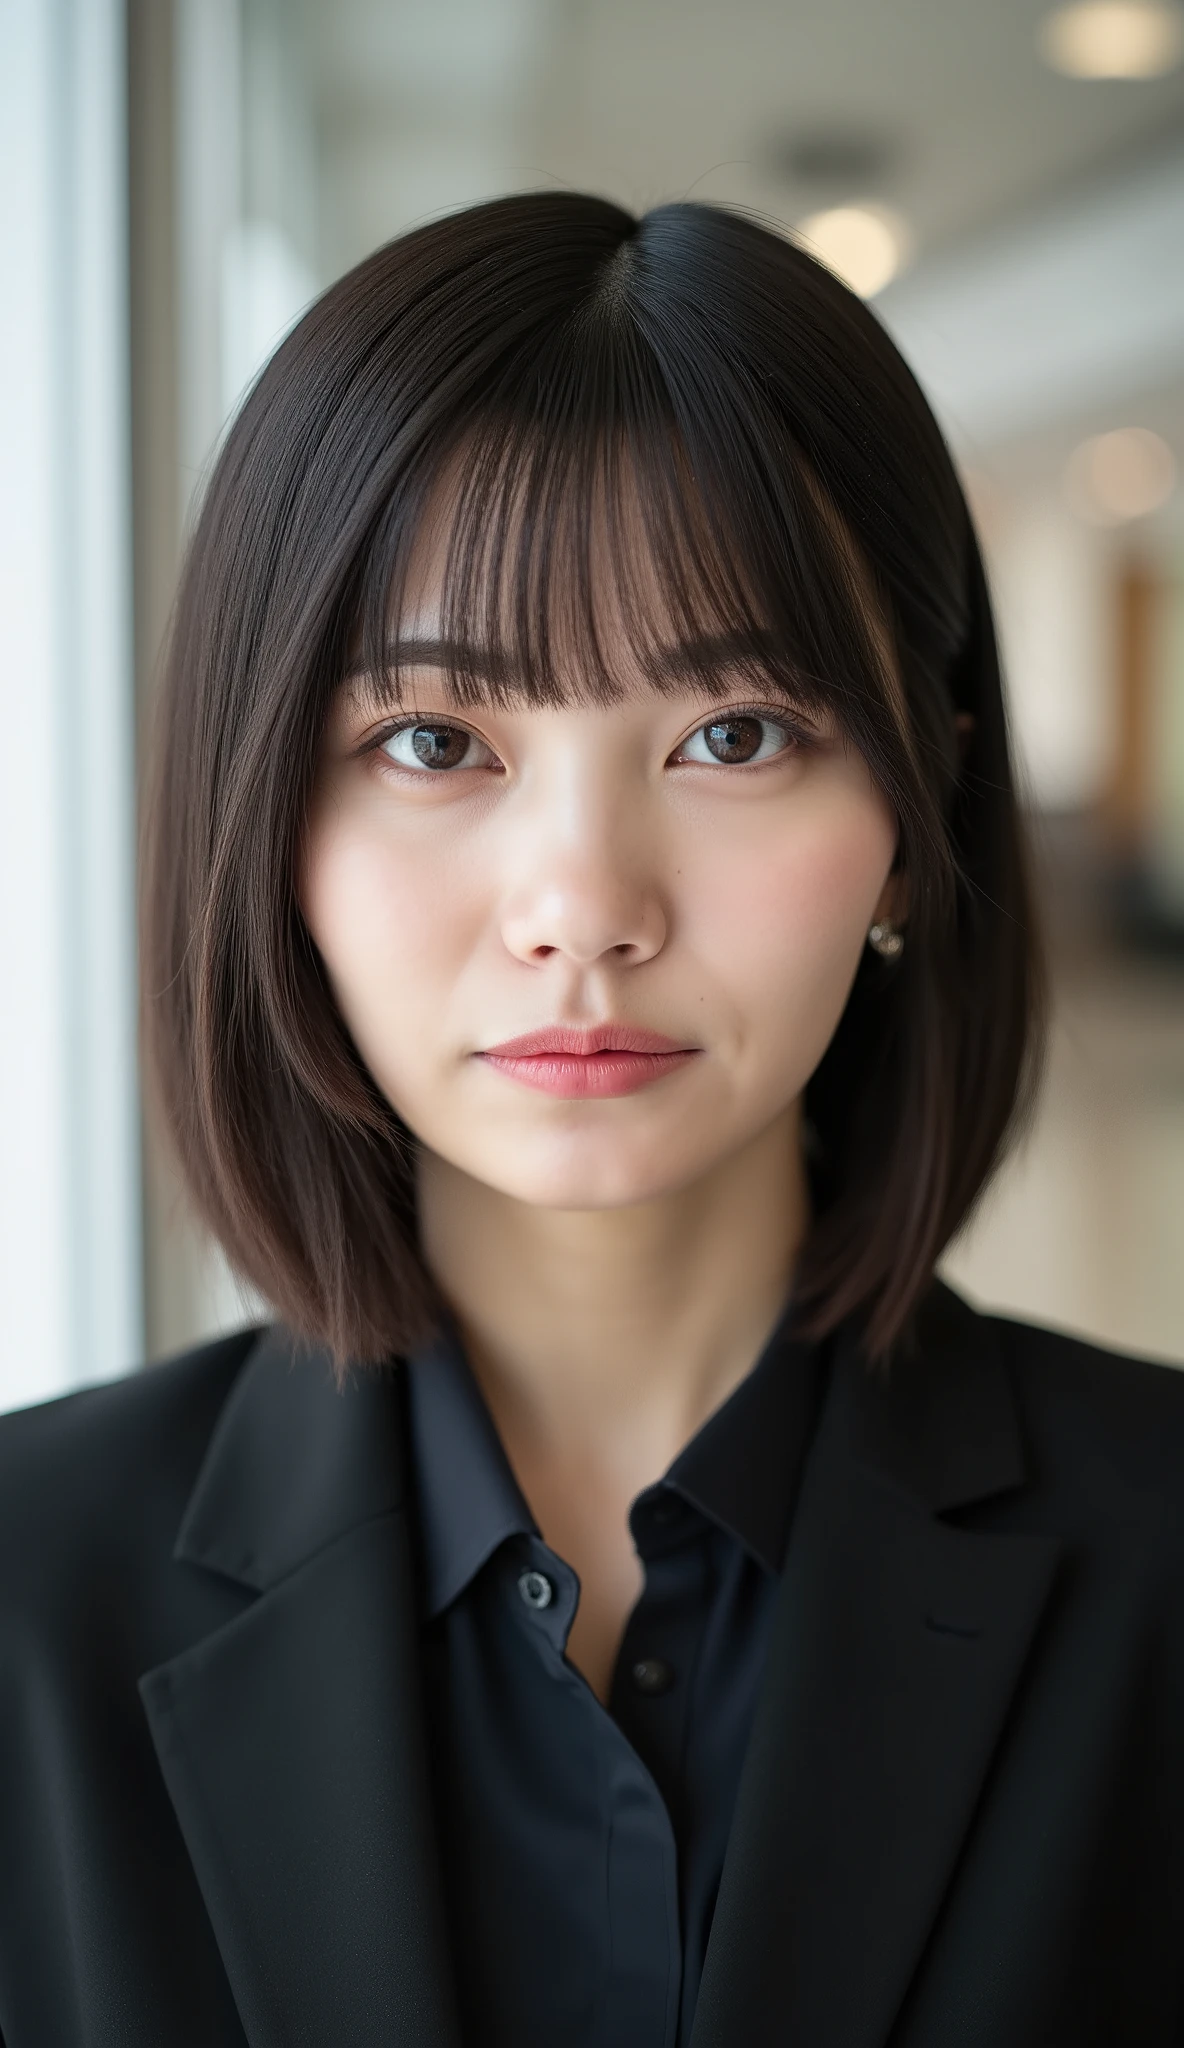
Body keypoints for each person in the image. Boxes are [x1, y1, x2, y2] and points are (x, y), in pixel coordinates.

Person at [0, 192, 1181, 2048]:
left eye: (736, 733)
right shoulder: (21, 1595)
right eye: (434, 742)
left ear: (914, 817)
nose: (582, 909)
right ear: (269, 827)